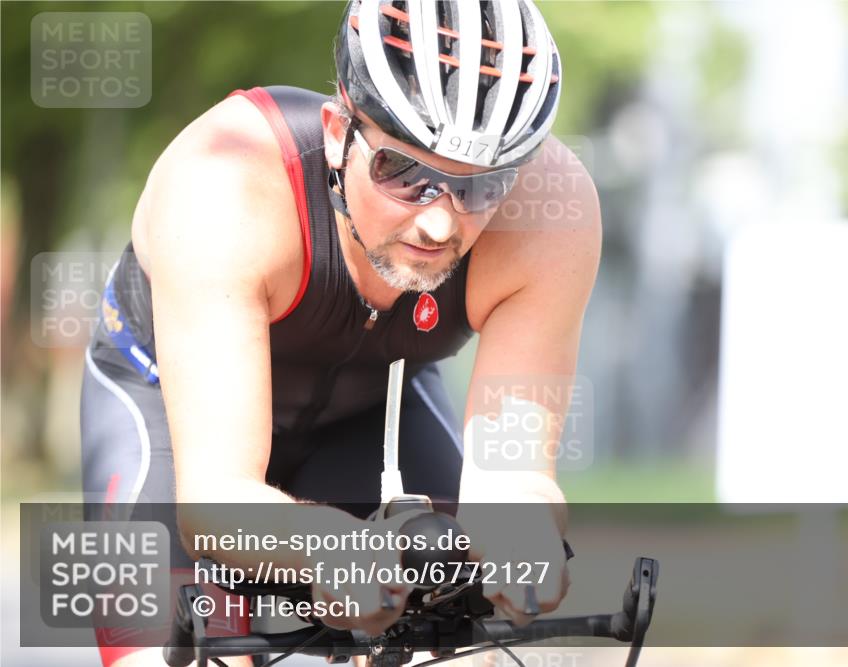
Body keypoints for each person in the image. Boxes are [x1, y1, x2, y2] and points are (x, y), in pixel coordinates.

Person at [80, 1, 600, 665]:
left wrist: (523, 536)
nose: (439, 224)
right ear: (336, 132)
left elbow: (512, 474)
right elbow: (215, 500)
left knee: (455, 644)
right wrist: (327, 546)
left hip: (371, 410)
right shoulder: (224, 179)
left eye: (481, 187)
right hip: (166, 411)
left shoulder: (550, 213)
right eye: (403, 173)